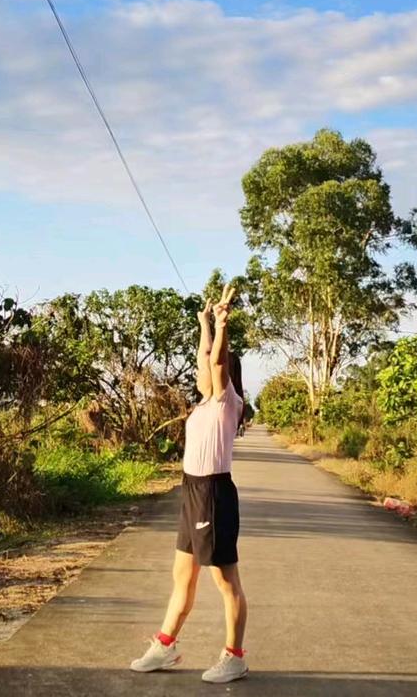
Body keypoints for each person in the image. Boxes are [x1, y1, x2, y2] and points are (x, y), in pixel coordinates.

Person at [130, 285, 248, 684]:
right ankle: (165, 646)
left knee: (224, 579)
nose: (201, 368)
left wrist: (221, 324)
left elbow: (216, 364)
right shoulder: (201, 405)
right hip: (192, 491)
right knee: (183, 575)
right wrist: (202, 324)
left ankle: (235, 656)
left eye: (212, 365)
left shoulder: (227, 401)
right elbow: (205, 357)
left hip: (214, 494)